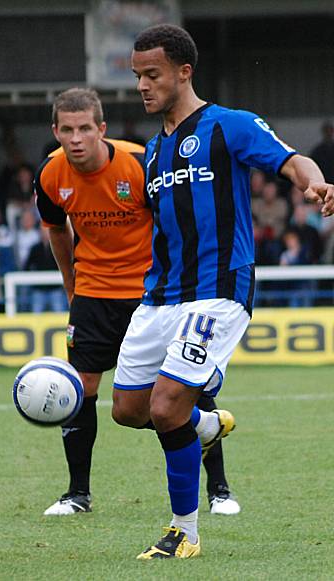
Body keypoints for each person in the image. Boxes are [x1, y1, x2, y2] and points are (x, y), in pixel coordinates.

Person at [111, 24, 334, 559]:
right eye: (138, 75)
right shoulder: (151, 153)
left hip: (218, 291)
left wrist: (316, 181)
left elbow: (290, 158)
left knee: (166, 408)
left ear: (184, 72)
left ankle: (183, 532)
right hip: (160, 295)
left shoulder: (227, 125)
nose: (142, 85)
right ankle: (208, 425)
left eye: (152, 75)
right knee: (127, 410)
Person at [34, 88, 240, 518]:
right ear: (55, 132)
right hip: (93, 293)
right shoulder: (51, 176)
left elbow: (175, 217)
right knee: (82, 390)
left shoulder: (139, 162)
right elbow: (57, 231)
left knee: (186, 387)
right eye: (67, 130)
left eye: (85, 128)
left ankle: (219, 488)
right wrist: (72, 288)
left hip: (154, 293)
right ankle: (78, 494)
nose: (76, 138)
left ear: (101, 129)